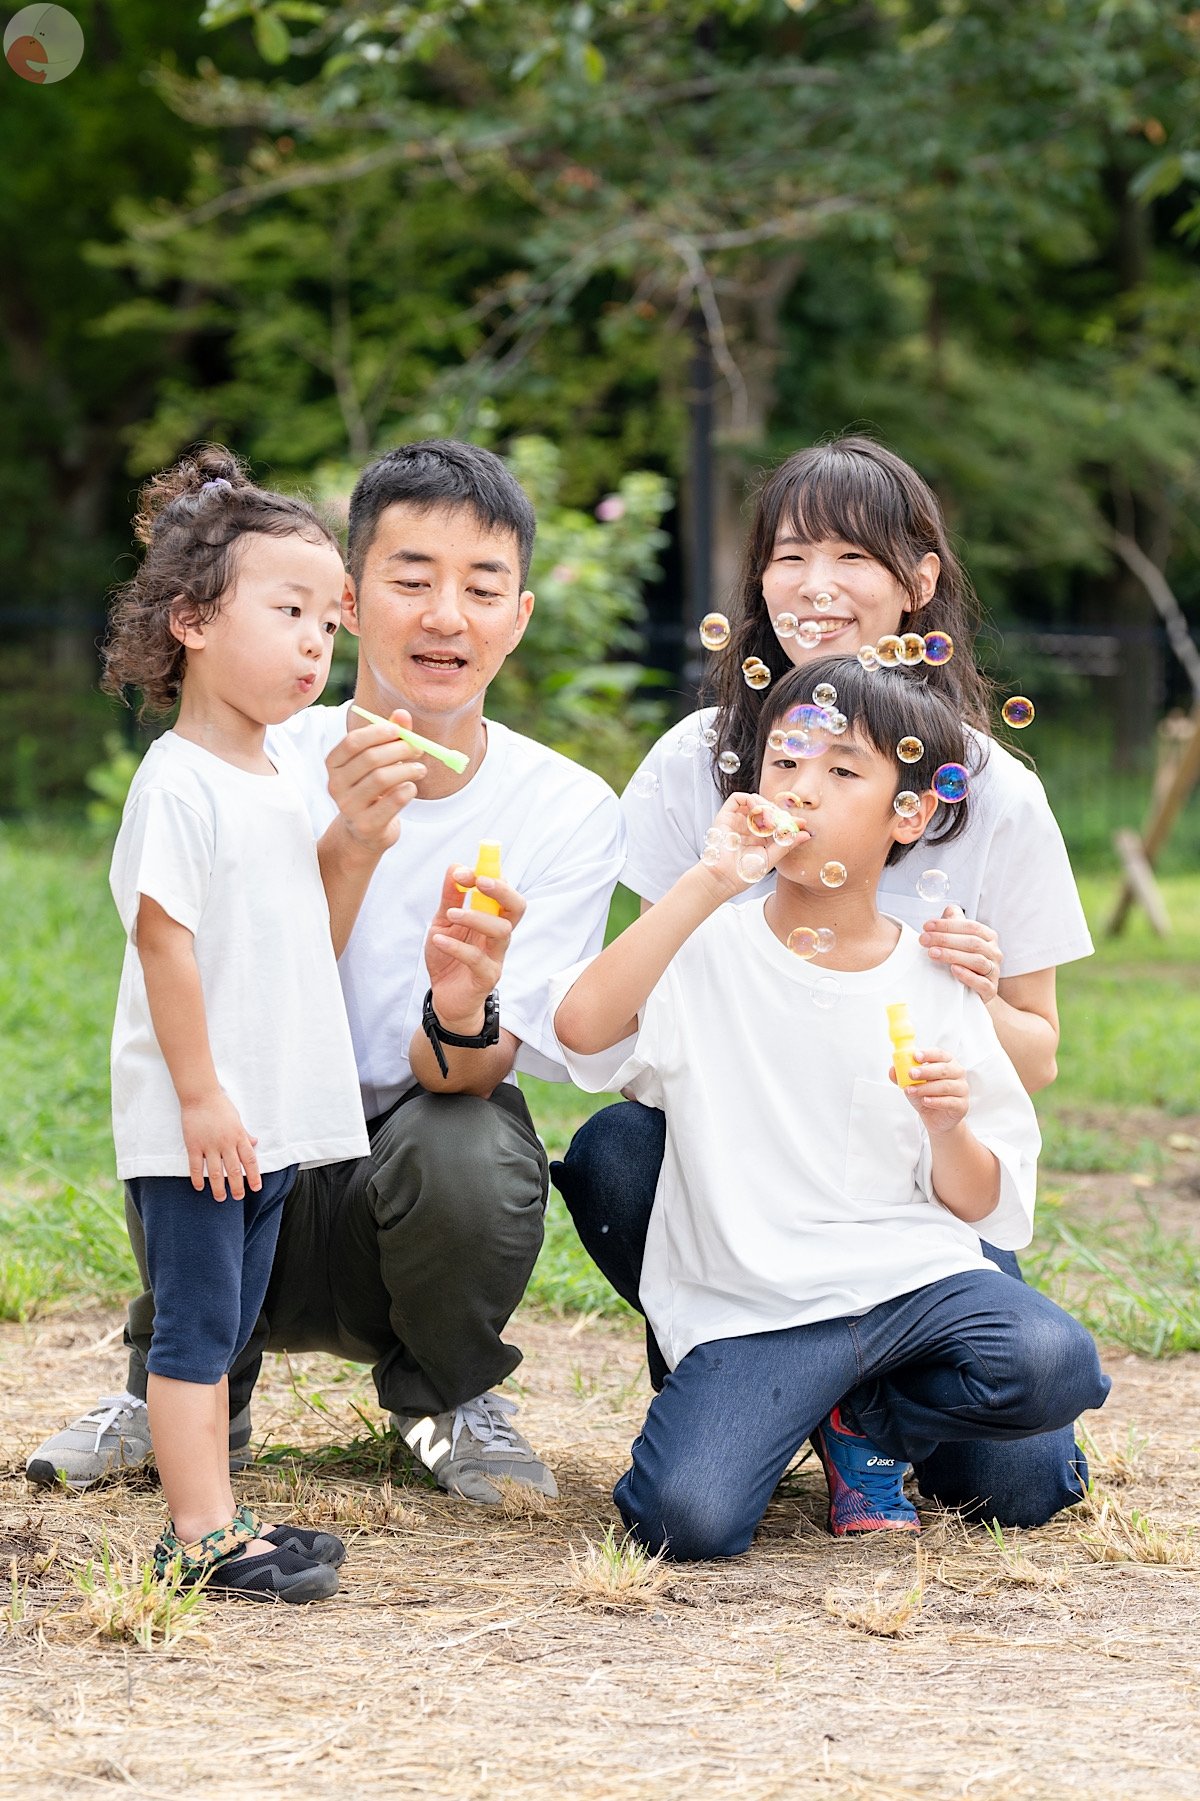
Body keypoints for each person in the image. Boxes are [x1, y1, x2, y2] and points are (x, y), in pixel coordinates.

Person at [28, 440, 625, 1505]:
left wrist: (458, 1002)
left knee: (470, 1144)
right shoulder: (255, 756)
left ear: (519, 617)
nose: (446, 615)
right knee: (186, 1092)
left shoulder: (567, 806)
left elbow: (470, 1074)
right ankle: (193, 1382)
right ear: (348, 600)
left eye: (482, 588)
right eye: (410, 580)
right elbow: (200, 980)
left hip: (393, 1187)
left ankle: (444, 1397)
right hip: (243, 1154)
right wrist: (349, 845)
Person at [552, 435, 1096, 1531]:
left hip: (908, 1197)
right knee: (614, 1150)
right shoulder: (702, 760)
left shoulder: (992, 792)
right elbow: (610, 1021)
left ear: (919, 582)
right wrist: (711, 882)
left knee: (1026, 1483)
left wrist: (980, 996)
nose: (814, 584)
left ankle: (858, 1413)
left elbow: (1030, 1054)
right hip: (749, 1192)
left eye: (853, 554)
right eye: (789, 554)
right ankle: (745, 1382)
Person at [98, 447, 370, 1600]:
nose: (317, 643)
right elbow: (166, 941)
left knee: (230, 1324)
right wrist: (202, 1096)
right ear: (194, 621)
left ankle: (223, 1514)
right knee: (198, 1332)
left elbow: (286, 920)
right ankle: (198, 1534)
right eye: (289, 611)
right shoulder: (180, 778)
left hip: (264, 1119)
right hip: (206, 1118)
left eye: (326, 620)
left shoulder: (275, 774)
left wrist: (360, 835)